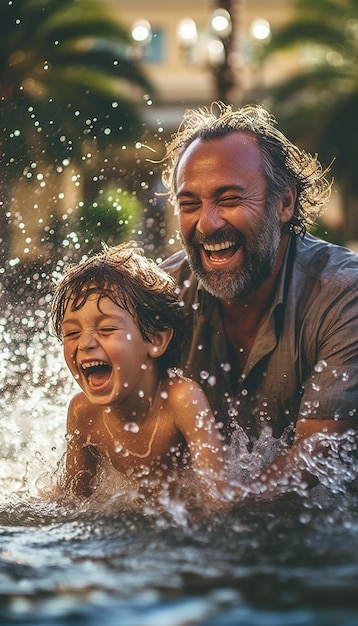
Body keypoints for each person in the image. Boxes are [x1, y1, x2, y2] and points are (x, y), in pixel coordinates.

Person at [160, 102, 358, 499]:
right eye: (190, 204)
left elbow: (318, 455)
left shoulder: (342, 294)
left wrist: (222, 515)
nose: (207, 223)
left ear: (284, 203)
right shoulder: (163, 295)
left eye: (229, 199)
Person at [50, 243, 227, 509]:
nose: (85, 343)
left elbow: (220, 501)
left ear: (155, 339)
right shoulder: (84, 412)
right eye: (72, 333)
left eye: (107, 328)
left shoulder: (180, 400)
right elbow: (72, 500)